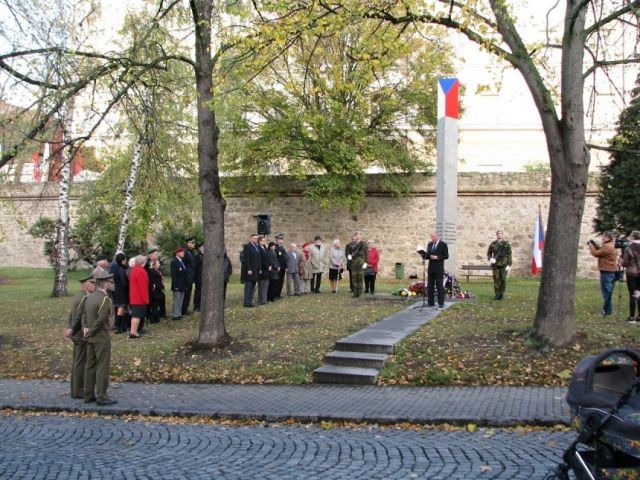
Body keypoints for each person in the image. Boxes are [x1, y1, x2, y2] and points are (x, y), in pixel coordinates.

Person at [83, 271, 117, 406]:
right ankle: (101, 396)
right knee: (102, 367)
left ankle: (88, 395)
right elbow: (102, 319)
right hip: (101, 337)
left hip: (90, 337)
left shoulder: (90, 297)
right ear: (106, 284)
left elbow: (84, 316)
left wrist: (86, 328)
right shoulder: (105, 299)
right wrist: (91, 330)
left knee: (90, 366)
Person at [64, 275, 95, 399]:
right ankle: (78, 390)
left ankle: (76, 389)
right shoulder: (83, 297)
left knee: (78, 361)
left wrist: (70, 328)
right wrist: (72, 330)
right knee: (80, 362)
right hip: (80, 335)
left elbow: (72, 315)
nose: (94, 286)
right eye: (92, 283)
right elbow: (77, 317)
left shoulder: (79, 295)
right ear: (86, 284)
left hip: (77, 334)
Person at [588, 232, 619, 317]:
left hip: (607, 271)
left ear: (607, 237)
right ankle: (608, 309)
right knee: (607, 291)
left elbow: (596, 254)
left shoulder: (608, 246)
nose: (602, 239)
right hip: (609, 270)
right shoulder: (610, 245)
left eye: (603, 237)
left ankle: (607, 310)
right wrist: (595, 246)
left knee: (606, 292)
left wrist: (591, 246)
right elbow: (601, 252)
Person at [620, 230, 640, 323]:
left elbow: (625, 263)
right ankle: (639, 316)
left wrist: (621, 260)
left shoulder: (629, 248)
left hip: (631, 273)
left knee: (632, 294)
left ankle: (632, 317)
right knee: (639, 293)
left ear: (633, 237)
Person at [487, 230, 512, 300]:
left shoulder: (506, 244)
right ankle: (497, 294)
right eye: (498, 234)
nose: (499, 235)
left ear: (502, 235)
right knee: (496, 280)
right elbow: (489, 252)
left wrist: (509, 264)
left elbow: (509, 254)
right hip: (495, 265)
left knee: (503, 279)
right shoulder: (493, 244)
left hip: (504, 265)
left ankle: (501, 295)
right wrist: (490, 258)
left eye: (500, 234)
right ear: (496, 235)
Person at [425, 232, 449, 308]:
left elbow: (446, 255)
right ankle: (430, 302)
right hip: (431, 268)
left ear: (437, 237)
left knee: (439, 286)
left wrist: (437, 257)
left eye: (434, 237)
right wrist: (424, 255)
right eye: (431, 237)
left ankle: (441, 303)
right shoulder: (430, 244)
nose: (432, 239)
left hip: (438, 268)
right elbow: (428, 255)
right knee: (430, 286)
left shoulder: (443, 244)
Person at [128, 255, 149, 338]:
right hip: (139, 297)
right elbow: (143, 287)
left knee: (135, 315)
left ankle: (133, 331)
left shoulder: (134, 270)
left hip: (134, 296)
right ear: (142, 263)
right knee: (137, 315)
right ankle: (133, 332)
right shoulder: (141, 271)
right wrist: (145, 299)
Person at [110, 252, 129, 334]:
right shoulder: (122, 269)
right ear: (123, 260)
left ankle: (122, 326)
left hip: (117, 289)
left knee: (122, 308)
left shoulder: (115, 267)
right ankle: (118, 326)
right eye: (125, 259)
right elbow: (124, 282)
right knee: (121, 307)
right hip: (122, 290)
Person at [241, 233, 261, 308]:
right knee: (248, 287)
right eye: (255, 238)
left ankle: (250, 302)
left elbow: (258, 259)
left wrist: (259, 269)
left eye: (257, 238)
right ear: (251, 238)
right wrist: (249, 269)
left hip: (256, 271)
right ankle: (246, 302)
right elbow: (247, 260)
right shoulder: (247, 247)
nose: (256, 240)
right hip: (249, 271)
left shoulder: (257, 247)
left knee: (253, 287)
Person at [348, 231, 368, 298]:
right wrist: (349, 257)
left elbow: (367, 254)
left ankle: (359, 293)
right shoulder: (352, 244)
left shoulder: (364, 244)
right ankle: (355, 292)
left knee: (360, 278)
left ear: (361, 236)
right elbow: (349, 252)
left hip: (361, 263)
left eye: (359, 234)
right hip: (354, 263)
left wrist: (366, 262)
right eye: (356, 235)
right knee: (354, 278)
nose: (358, 236)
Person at [170, 247, 188, 320]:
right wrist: (175, 285)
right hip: (177, 284)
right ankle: (175, 315)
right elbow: (174, 275)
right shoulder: (174, 261)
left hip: (183, 284)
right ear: (177, 253)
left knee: (181, 300)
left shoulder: (182, 261)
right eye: (181, 252)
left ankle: (179, 313)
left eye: (183, 252)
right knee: (176, 300)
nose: (183, 253)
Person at [181, 237, 196, 316]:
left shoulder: (191, 252)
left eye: (194, 242)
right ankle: (183, 309)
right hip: (187, 277)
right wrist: (186, 276)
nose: (194, 244)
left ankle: (185, 308)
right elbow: (183, 265)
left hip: (190, 277)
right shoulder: (186, 252)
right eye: (192, 242)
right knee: (185, 294)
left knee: (188, 294)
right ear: (187, 243)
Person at [147, 259, 165, 324]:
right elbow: (155, 282)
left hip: (157, 290)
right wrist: (160, 288)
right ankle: (154, 319)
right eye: (158, 263)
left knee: (155, 305)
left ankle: (154, 318)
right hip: (155, 291)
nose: (159, 264)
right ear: (154, 264)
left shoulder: (157, 271)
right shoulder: (152, 271)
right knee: (154, 305)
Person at [257, 236, 271, 305]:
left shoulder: (265, 248)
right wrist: (267, 266)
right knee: (261, 285)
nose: (264, 242)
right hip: (262, 269)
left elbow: (267, 258)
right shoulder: (258, 248)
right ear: (259, 241)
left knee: (266, 285)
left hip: (267, 270)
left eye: (264, 241)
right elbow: (261, 260)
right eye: (263, 241)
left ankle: (264, 299)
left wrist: (270, 265)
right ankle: (261, 299)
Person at [274, 234, 287, 298]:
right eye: (279, 239)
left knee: (281, 281)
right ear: (276, 240)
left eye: (282, 239)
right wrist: (277, 266)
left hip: (283, 267)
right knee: (277, 281)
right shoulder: (275, 248)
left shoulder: (282, 248)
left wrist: (286, 266)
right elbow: (275, 258)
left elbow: (284, 258)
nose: (281, 241)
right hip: (278, 267)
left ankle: (279, 294)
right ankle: (275, 294)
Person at [193, 242, 204, 312]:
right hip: (198, 277)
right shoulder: (197, 256)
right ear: (199, 248)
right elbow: (195, 267)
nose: (204, 248)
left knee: (202, 292)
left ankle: (201, 304)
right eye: (202, 247)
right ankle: (196, 306)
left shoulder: (205, 255)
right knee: (198, 292)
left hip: (204, 277)